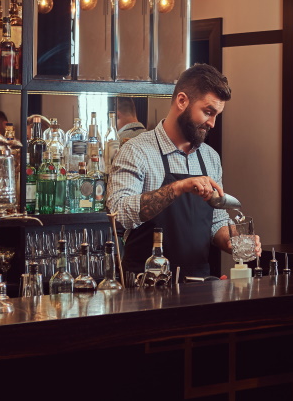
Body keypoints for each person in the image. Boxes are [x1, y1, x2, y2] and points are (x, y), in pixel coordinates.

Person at [108, 64, 260, 279]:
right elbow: (119, 215)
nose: (213, 123)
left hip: (198, 286)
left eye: (217, 115)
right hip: (146, 288)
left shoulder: (210, 157)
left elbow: (216, 220)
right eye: (208, 112)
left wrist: (233, 239)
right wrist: (179, 187)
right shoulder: (136, 151)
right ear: (182, 101)